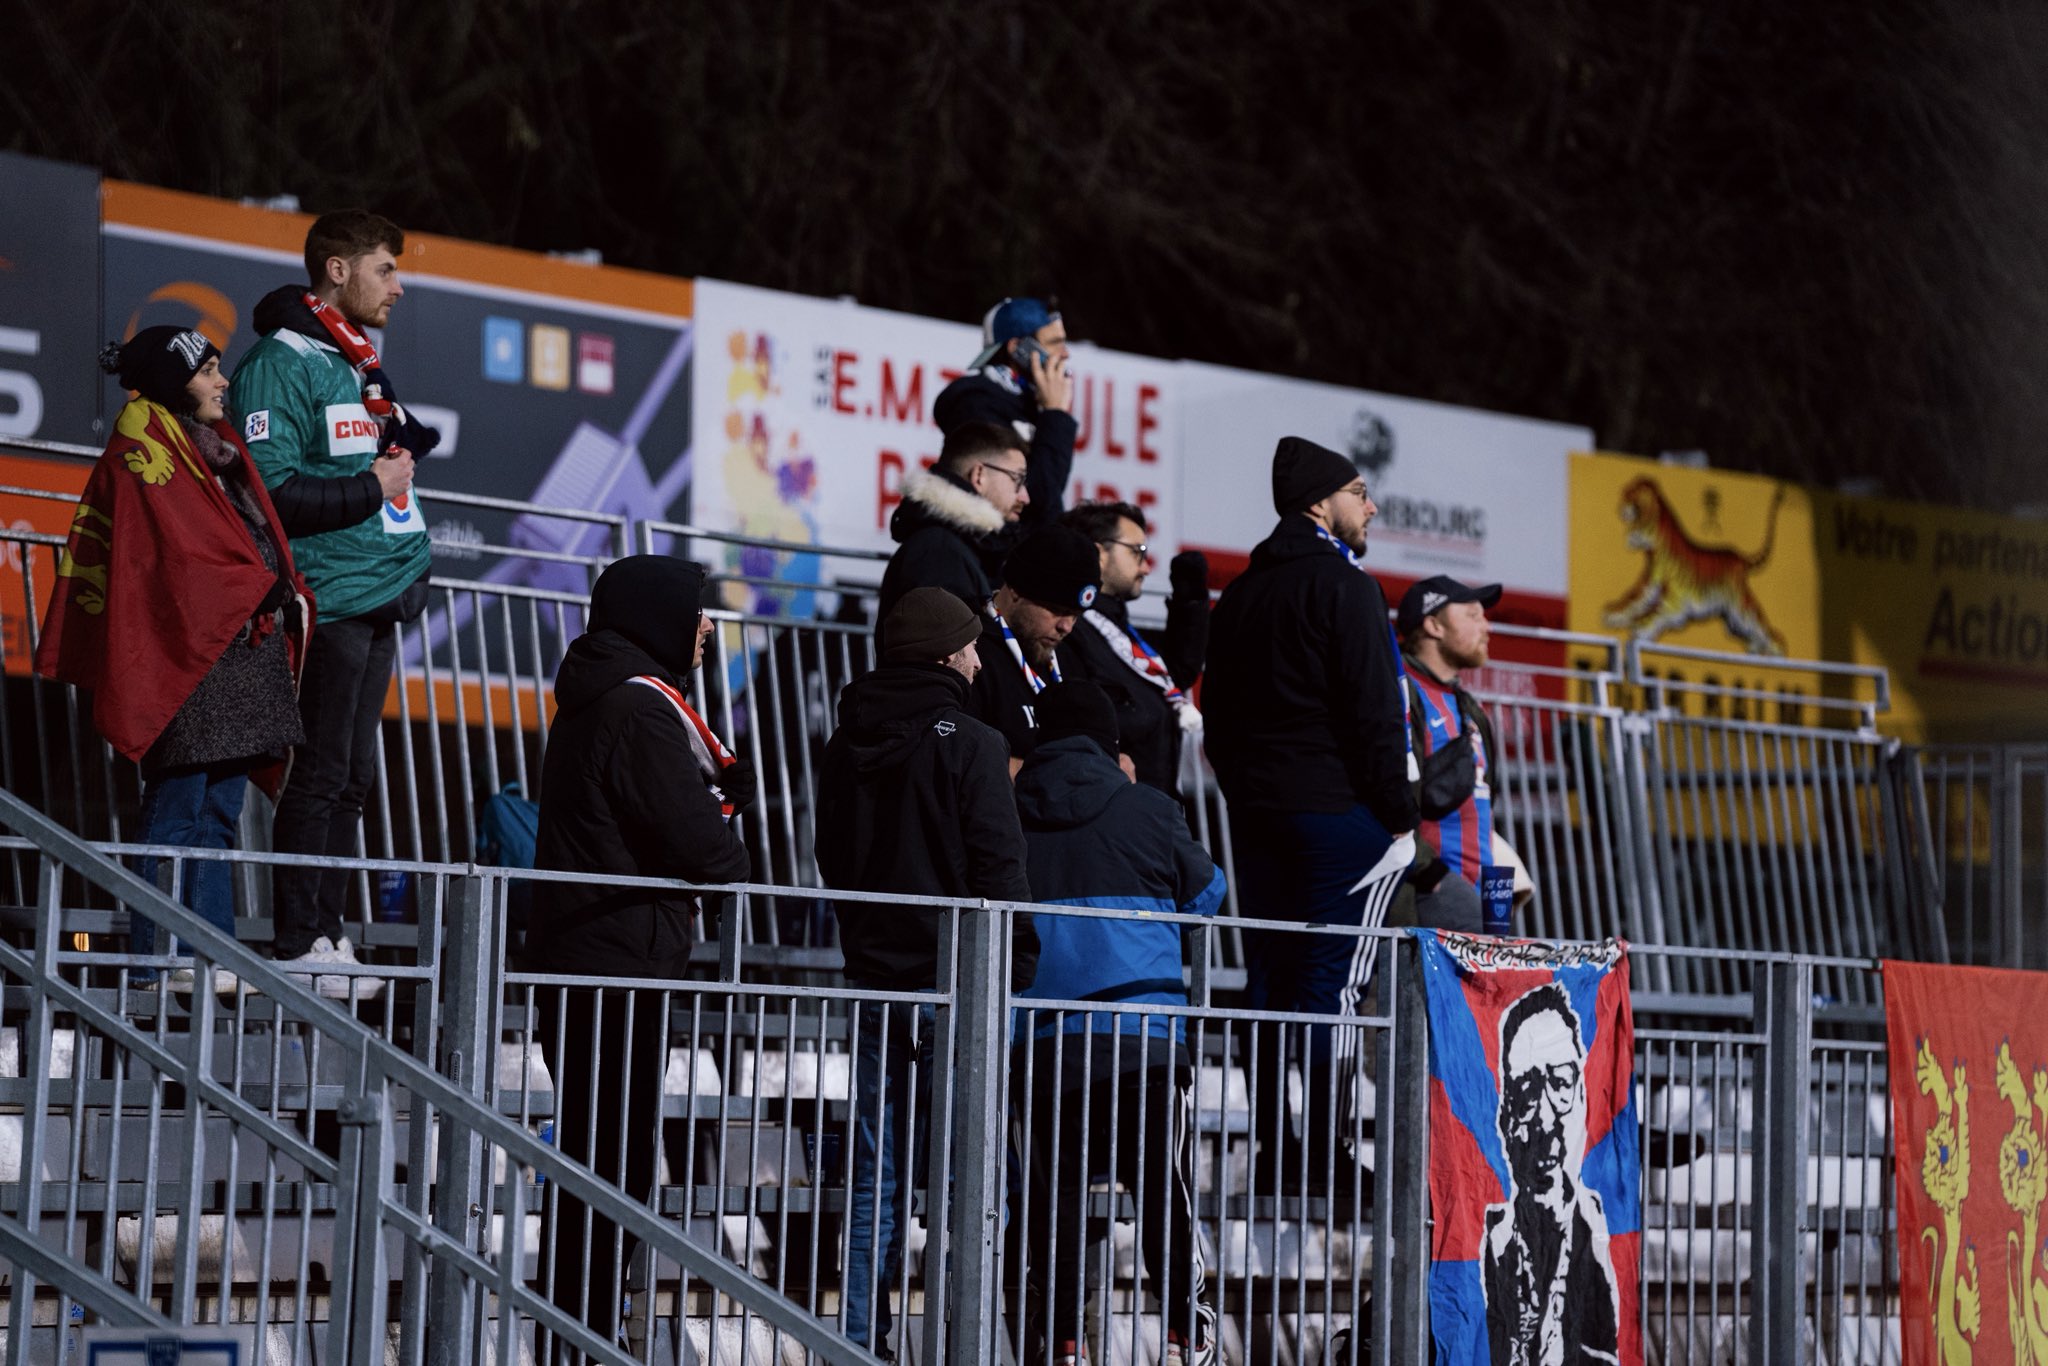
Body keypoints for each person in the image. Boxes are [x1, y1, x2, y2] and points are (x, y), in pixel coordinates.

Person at [525, 554, 756, 1358]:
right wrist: (724, 833)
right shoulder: (637, 709)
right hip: (615, 965)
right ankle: (583, 1334)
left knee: (599, 1162)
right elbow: (705, 849)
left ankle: (579, 1331)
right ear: (656, 616)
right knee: (612, 1168)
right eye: (696, 609)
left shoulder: (601, 696)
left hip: (595, 958)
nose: (707, 627)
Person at [35, 327, 310, 994]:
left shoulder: (220, 449)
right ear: (171, 380)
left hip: (239, 658)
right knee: (177, 807)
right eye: (208, 370)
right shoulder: (140, 449)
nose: (222, 382)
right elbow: (164, 560)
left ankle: (211, 954)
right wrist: (249, 584)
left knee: (218, 812)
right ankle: (157, 958)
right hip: (184, 656)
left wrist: (274, 587)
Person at [815, 586, 1037, 1359]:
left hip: (878, 979)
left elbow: (831, 853)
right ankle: (961, 1341)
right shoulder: (972, 742)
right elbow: (999, 863)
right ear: (946, 655)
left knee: (876, 1174)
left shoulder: (844, 742)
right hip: (960, 985)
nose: (978, 660)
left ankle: (860, 1343)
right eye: (971, 647)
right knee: (970, 1176)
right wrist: (1019, 958)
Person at [1202, 436, 1417, 1197]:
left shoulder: (1240, 594)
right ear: (1320, 503)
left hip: (1259, 819)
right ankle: (1325, 1156)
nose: (1373, 506)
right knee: (1334, 987)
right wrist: (1399, 814)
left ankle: (1273, 1150)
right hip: (1338, 817)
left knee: (1269, 981)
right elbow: (1374, 714)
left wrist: (1246, 795)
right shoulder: (1346, 587)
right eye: (1360, 492)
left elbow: (1216, 717)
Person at [232, 208, 437, 980]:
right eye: (387, 268)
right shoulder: (279, 362)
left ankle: (325, 935)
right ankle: (297, 944)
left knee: (352, 779)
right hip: (330, 596)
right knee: (319, 773)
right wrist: (371, 487)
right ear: (338, 270)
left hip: (378, 590)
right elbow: (271, 491)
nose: (399, 287)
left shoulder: (351, 357)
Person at [1011, 682, 1223, 1366]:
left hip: (1047, 1040)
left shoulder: (1008, 810)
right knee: (1163, 1190)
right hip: (1144, 1036)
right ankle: (1187, 1335)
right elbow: (1208, 894)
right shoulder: (1148, 807)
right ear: (1111, 743)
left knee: (1058, 1197)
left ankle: (1063, 1342)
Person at [1482, 984, 1621, 1365]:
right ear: (1505, 1119)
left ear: (1582, 1099)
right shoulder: (1487, 1239)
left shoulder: (1596, 1228)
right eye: (1526, 1092)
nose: (1544, 1118)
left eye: (1560, 1084)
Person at [1058, 501, 1209, 795]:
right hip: (1110, 803)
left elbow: (1174, 675)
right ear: (1099, 553)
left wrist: (1190, 600)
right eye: (1137, 551)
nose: (1146, 567)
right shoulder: (1069, 631)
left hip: (1148, 803)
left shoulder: (1118, 627)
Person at [1399, 576, 1508, 933]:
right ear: (1434, 626)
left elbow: (1484, 810)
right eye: (1473, 615)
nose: (1486, 627)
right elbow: (1385, 797)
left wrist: (1497, 890)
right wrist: (1431, 874)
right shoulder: (1401, 694)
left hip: (1480, 896)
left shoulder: (1470, 708)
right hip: (1426, 893)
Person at [967, 526, 1103, 774]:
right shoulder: (968, 649)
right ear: (1016, 590)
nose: (1066, 627)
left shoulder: (1072, 656)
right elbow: (957, 756)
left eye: (1076, 615)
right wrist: (1051, 777)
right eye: (1056, 610)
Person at [932, 296, 1076, 530]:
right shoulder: (975, 403)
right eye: (1055, 343)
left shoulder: (1032, 404)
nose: (1065, 353)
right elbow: (1036, 497)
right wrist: (1055, 414)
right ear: (1018, 348)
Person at [876, 421, 1030, 636]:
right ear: (979, 475)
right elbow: (941, 648)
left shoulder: (961, 548)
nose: (1025, 497)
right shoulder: (938, 552)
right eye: (1018, 479)